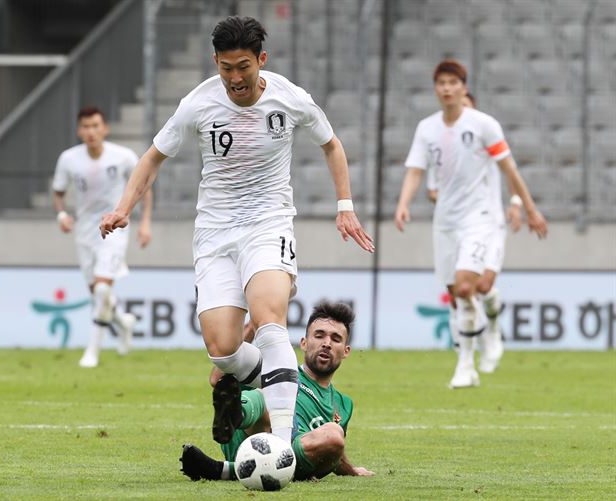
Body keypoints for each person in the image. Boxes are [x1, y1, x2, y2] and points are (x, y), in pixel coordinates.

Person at [99, 16, 374, 445]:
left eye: (243, 66)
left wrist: (345, 207)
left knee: (269, 322)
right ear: (216, 63)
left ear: (261, 60)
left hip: (268, 222)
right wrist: (123, 208)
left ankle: (282, 443)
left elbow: (331, 144)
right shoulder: (198, 104)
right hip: (214, 233)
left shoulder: (290, 98)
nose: (235, 78)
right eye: (226, 68)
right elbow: (153, 157)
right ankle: (277, 387)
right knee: (223, 350)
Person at [394, 60, 548, 389]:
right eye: (442, 82)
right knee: (458, 292)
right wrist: (404, 203)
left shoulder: (484, 125)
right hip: (446, 223)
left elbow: (510, 170)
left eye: (453, 82)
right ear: (436, 88)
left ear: (464, 87)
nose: (447, 88)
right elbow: (416, 170)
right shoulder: (427, 129)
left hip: (482, 220)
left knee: (470, 286)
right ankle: (489, 329)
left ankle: (466, 364)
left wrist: (528, 208)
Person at [179, 301, 375, 481]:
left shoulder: (343, 404)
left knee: (333, 434)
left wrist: (351, 470)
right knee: (270, 394)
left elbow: (331, 454)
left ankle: (226, 470)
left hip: (293, 450)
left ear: (346, 350)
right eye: (319, 335)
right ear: (304, 343)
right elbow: (217, 379)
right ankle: (236, 413)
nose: (326, 343)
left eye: (336, 338)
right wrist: (255, 323)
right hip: (251, 436)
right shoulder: (277, 370)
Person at [426, 92, 523, 373]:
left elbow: (511, 172)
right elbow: (433, 190)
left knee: (482, 286)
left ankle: (491, 328)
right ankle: (468, 355)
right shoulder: (442, 152)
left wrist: (516, 203)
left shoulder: (486, 142)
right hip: (457, 229)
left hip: (489, 225)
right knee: (460, 292)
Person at [53, 106, 152, 368]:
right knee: (97, 292)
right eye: (86, 127)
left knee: (102, 288)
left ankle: (92, 351)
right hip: (85, 232)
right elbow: (58, 191)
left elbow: (143, 185)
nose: (91, 131)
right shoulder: (69, 159)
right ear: (79, 130)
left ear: (104, 128)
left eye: (95, 126)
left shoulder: (123, 156)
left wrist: (145, 223)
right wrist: (61, 215)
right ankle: (123, 321)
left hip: (115, 228)